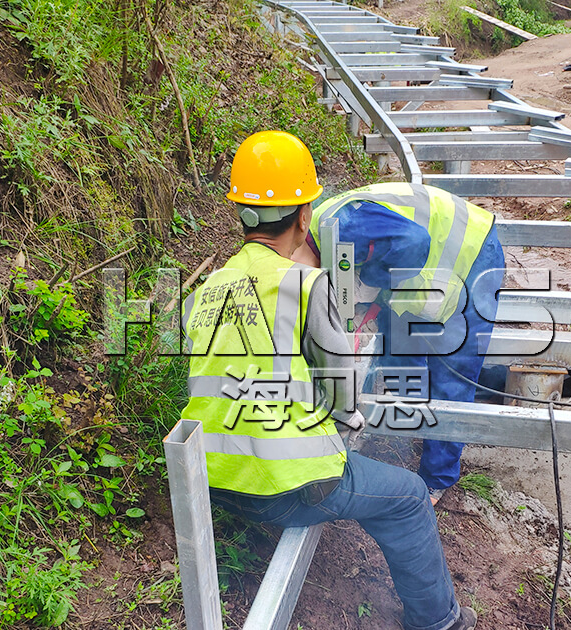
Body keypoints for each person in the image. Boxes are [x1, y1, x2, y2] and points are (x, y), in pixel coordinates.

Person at [180, 130, 478, 630]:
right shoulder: (305, 284)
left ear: (241, 213)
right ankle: (440, 621)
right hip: (285, 487)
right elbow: (341, 385)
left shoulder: (206, 288)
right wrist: (347, 419)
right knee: (406, 498)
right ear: (303, 217)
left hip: (211, 481)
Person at [293, 183, 505, 505]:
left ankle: (437, 479)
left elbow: (412, 241)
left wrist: (366, 284)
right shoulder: (324, 239)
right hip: (425, 278)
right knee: (397, 348)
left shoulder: (342, 225)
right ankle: (412, 422)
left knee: (453, 375)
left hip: (471, 253)